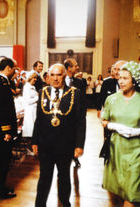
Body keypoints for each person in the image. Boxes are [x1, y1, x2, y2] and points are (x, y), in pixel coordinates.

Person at [101, 61, 140, 207]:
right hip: (116, 149)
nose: (121, 81)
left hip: (136, 151)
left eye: (125, 78)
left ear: (135, 81)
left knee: (132, 191)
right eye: (120, 77)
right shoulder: (111, 99)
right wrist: (115, 126)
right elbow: (104, 120)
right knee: (119, 188)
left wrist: (138, 131)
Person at [32, 63, 86, 207]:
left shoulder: (75, 93)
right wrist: (34, 141)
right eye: (53, 75)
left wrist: (79, 145)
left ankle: (64, 203)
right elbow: (38, 119)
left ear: (65, 75)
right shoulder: (43, 92)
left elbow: (81, 121)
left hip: (65, 144)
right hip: (45, 144)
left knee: (64, 177)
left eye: (59, 75)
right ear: (48, 76)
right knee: (44, 177)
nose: (56, 79)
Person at [0, 57, 17, 199]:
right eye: (14, 68)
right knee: (1, 161)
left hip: (0, 129)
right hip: (1, 130)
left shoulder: (2, 82)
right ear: (8, 68)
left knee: (2, 161)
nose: (15, 71)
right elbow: (1, 110)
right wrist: (6, 130)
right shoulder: (0, 83)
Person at [64, 58, 86, 167]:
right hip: (63, 116)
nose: (77, 67)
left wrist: (82, 115)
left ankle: (75, 158)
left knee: (75, 137)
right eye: (75, 65)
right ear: (69, 68)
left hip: (75, 117)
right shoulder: (60, 81)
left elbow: (83, 100)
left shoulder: (80, 82)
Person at [22, 72, 39, 155]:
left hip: (34, 110)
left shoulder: (33, 87)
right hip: (30, 110)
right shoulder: (26, 87)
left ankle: (33, 148)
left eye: (36, 78)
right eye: (34, 78)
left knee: (34, 130)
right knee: (30, 130)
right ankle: (29, 149)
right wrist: (37, 97)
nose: (35, 80)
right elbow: (28, 101)